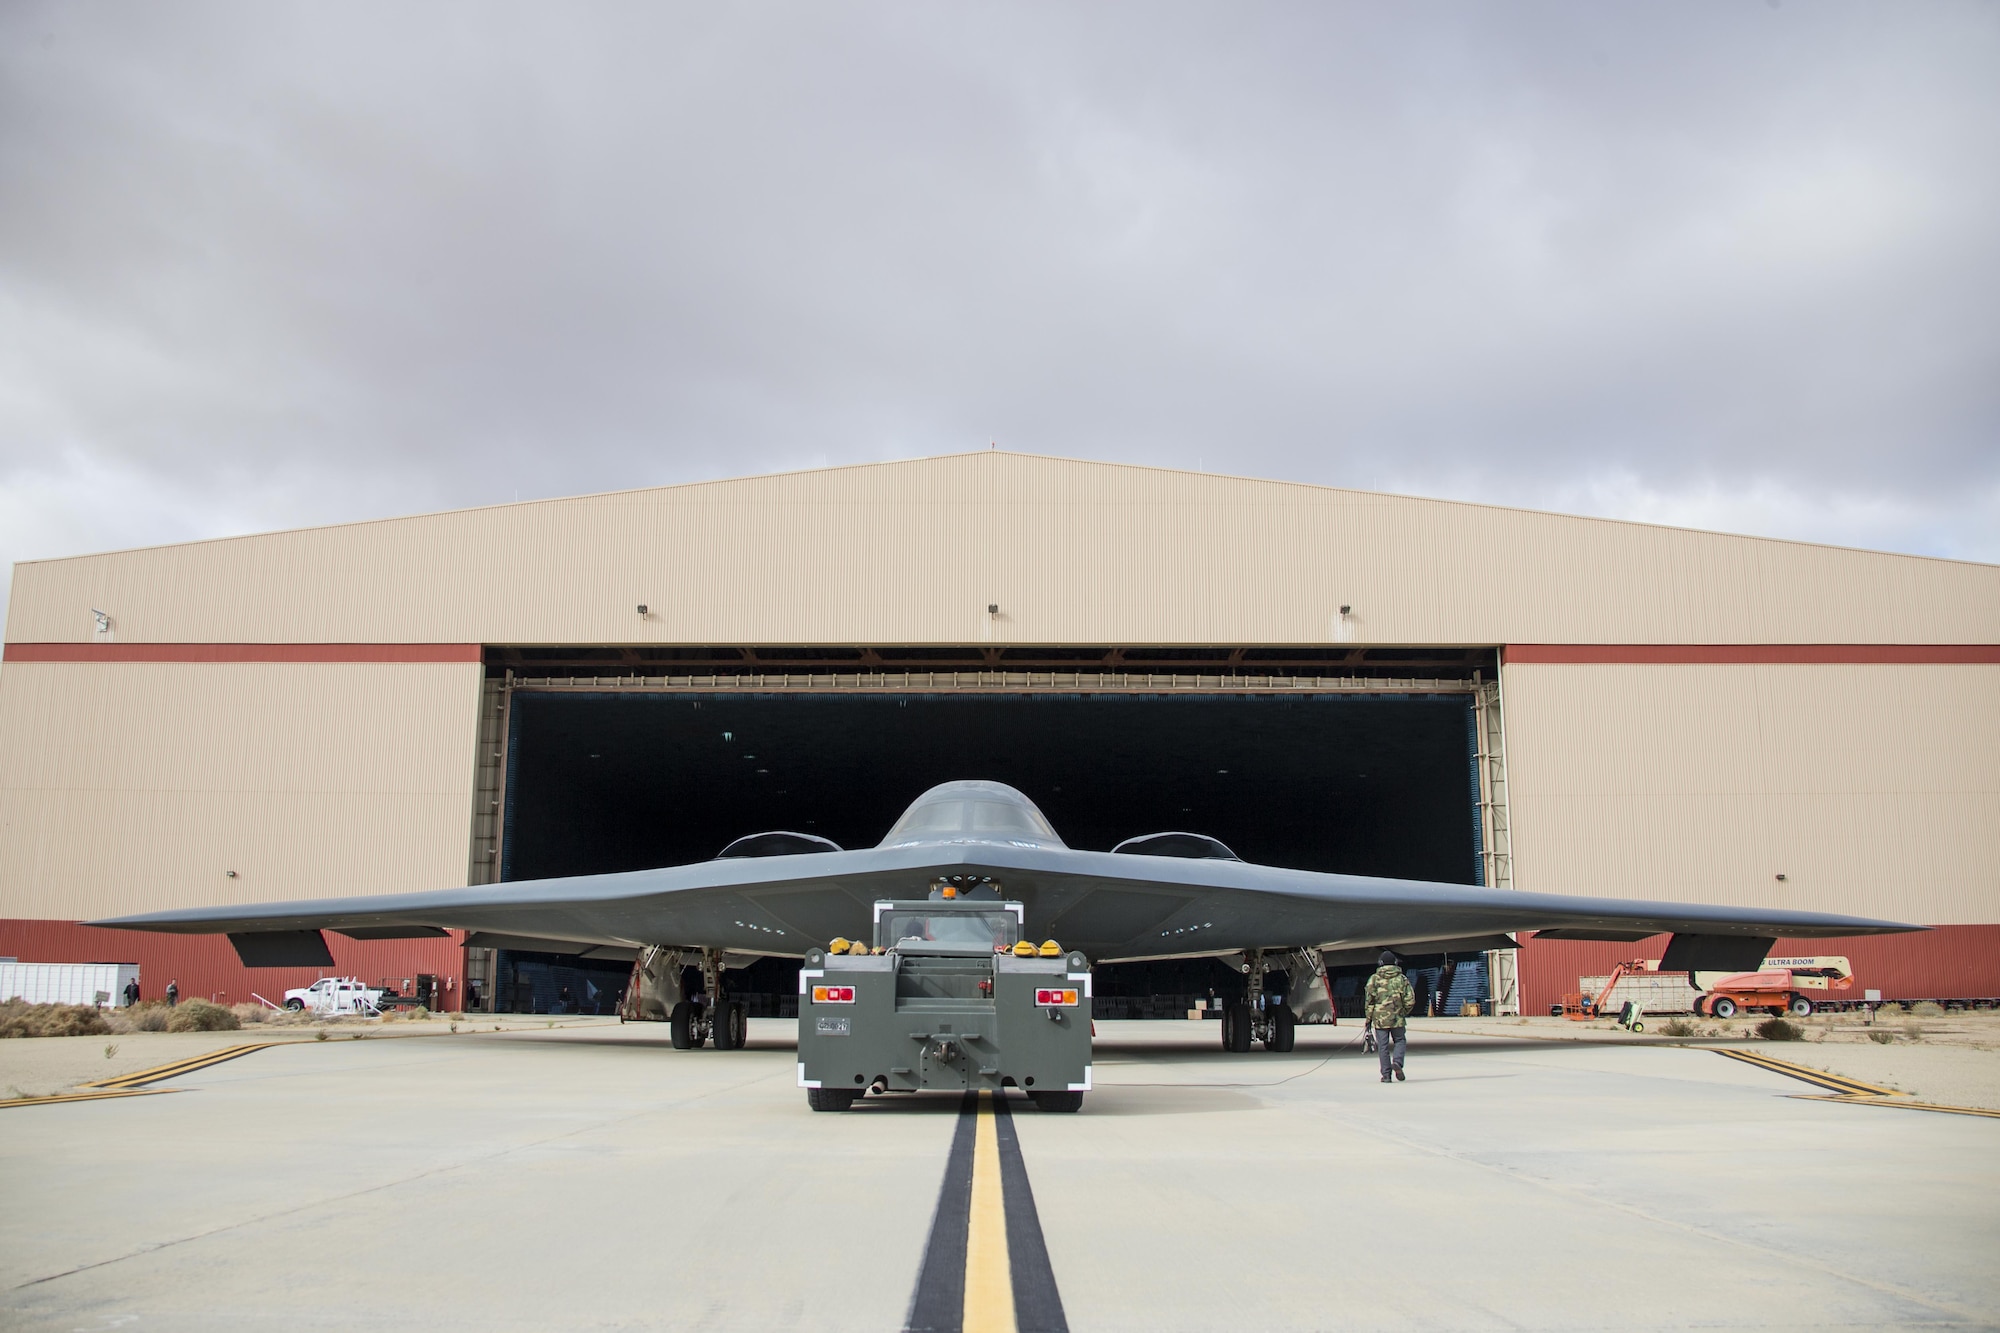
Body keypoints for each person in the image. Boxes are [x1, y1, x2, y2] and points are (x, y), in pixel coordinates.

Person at [1363, 951, 1414, 1083]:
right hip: (1397, 1017)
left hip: (1380, 1019)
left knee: (1383, 1046)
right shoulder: (1402, 979)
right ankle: (1397, 1062)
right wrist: (1403, 1011)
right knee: (1400, 1040)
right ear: (1395, 963)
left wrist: (1368, 1018)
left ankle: (1386, 1075)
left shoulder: (1374, 979)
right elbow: (1410, 1000)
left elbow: (1369, 1001)